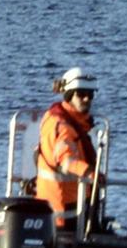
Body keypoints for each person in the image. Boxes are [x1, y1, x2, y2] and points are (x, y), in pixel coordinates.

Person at [34, 67, 100, 227]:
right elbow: (66, 161)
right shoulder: (62, 126)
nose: (86, 99)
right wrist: (93, 174)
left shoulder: (73, 123)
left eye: (90, 95)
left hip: (71, 202)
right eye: (81, 94)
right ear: (69, 95)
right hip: (62, 211)